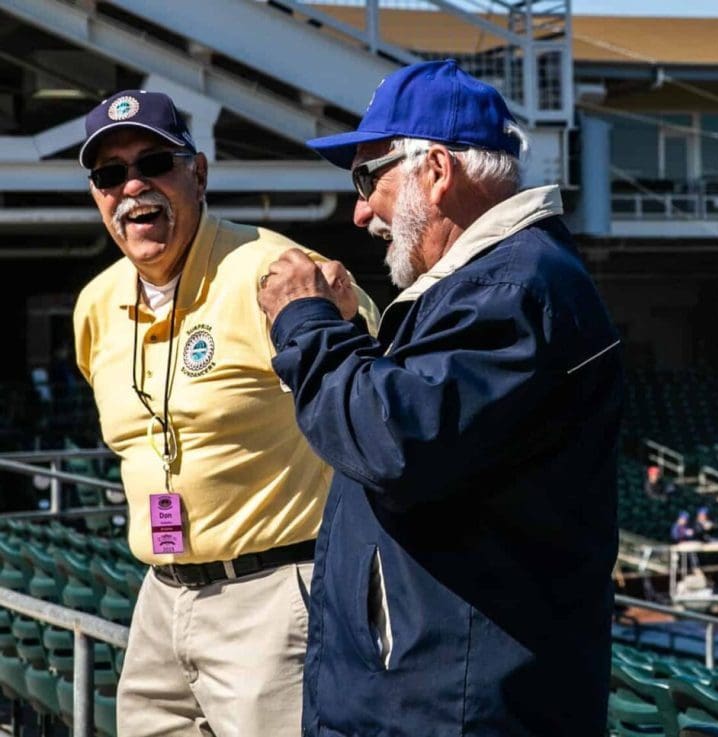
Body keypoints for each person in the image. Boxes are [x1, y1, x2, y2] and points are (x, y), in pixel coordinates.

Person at [258, 60, 623, 737]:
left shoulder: (515, 289)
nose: (361, 211)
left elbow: (395, 443)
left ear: (435, 170)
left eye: (369, 178)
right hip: (425, 696)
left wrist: (306, 324)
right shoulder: (495, 282)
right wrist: (342, 335)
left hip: (456, 707)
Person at [73, 89, 378, 737]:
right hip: (161, 593)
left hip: (270, 597)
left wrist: (345, 314)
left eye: (154, 162)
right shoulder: (95, 305)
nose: (132, 186)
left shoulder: (268, 269)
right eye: (109, 173)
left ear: (198, 173)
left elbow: (373, 371)